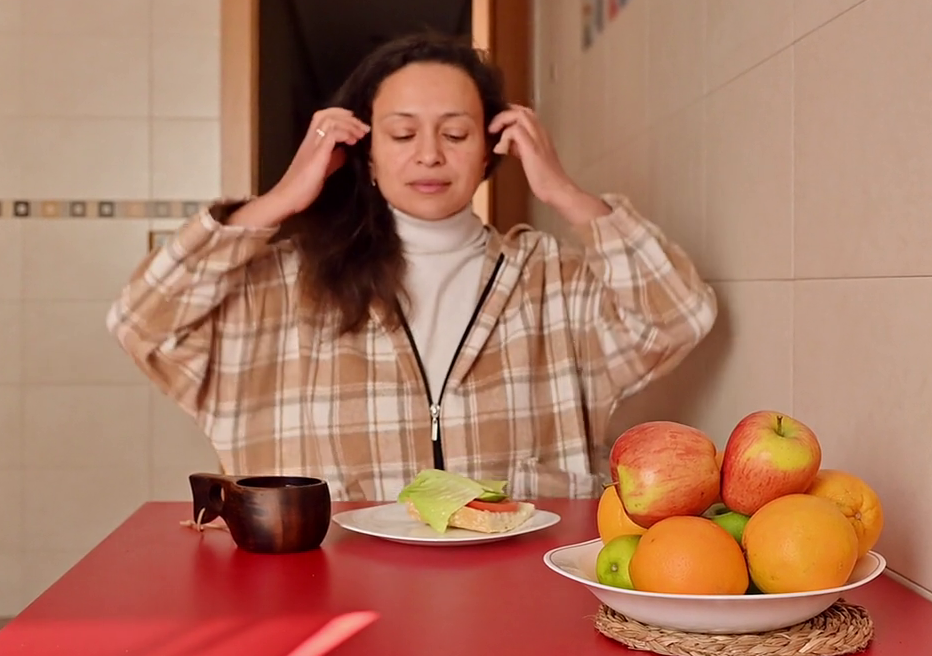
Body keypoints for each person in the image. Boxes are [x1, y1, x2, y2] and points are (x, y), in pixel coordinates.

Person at [107, 33, 716, 501]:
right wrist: (279, 201)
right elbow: (141, 321)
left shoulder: (551, 279)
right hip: (326, 601)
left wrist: (566, 194)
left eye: (455, 134)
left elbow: (681, 314)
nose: (429, 155)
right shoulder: (281, 287)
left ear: (490, 150)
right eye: (402, 135)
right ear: (366, 154)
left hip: (514, 598)